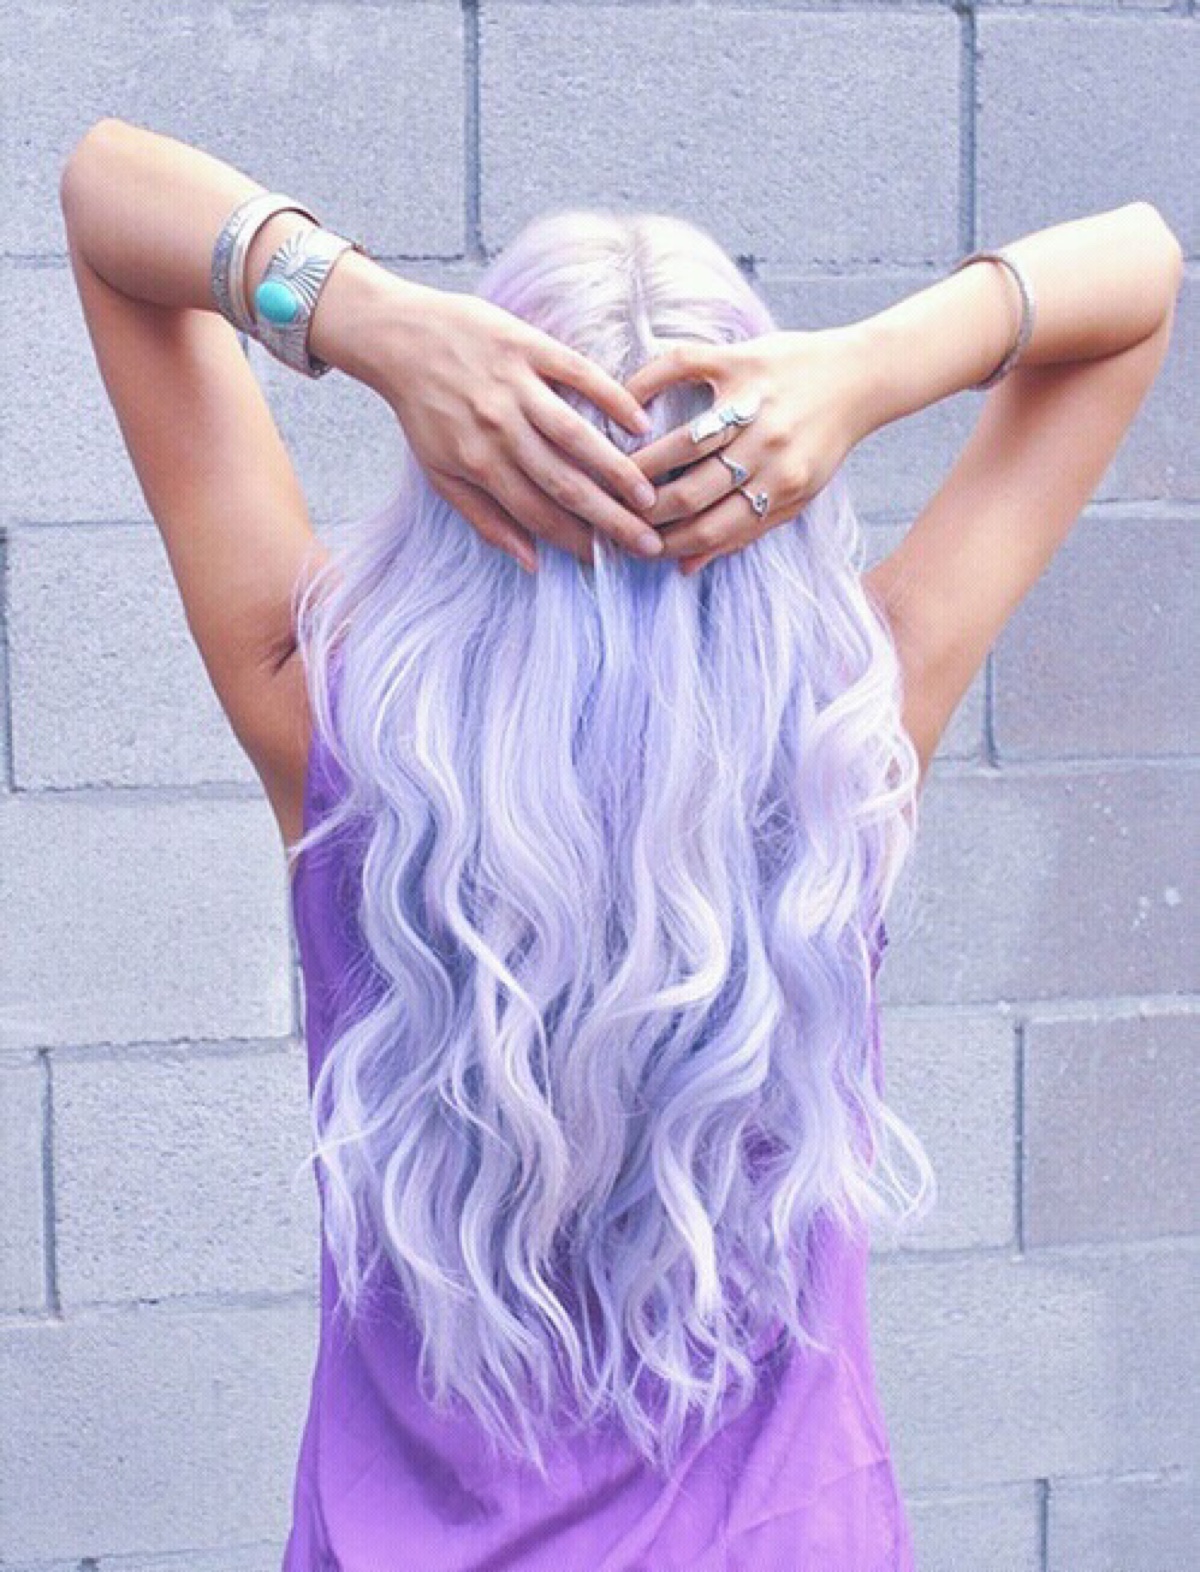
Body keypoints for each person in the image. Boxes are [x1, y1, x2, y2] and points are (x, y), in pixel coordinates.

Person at [59, 116, 1183, 1572]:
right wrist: (871, 370)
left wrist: (371, 321)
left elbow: (108, 199)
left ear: (460, 484)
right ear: (781, 505)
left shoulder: (333, 731)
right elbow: (1137, 275)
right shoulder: (852, 736)